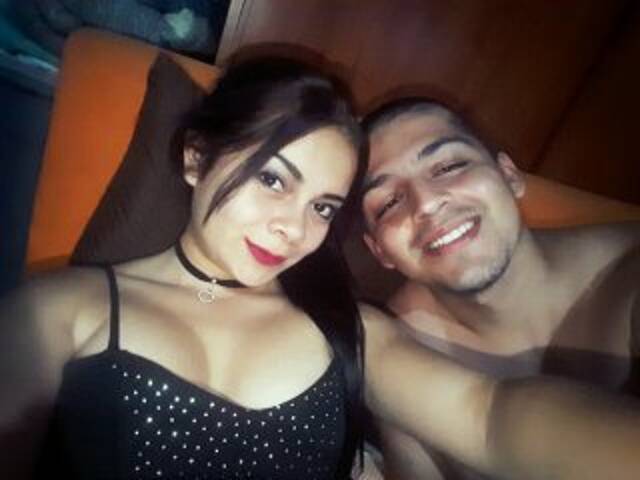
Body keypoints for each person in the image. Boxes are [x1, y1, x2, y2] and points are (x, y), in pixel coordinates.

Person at [2, 57, 640, 480]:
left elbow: (489, 415)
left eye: (323, 207)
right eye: (273, 178)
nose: (294, 227)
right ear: (197, 158)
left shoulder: (347, 329)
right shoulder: (60, 308)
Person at [360, 97, 640, 479]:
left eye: (449, 166)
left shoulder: (629, 273)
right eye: (389, 202)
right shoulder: (391, 348)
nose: (426, 204)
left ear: (509, 176)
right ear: (379, 251)